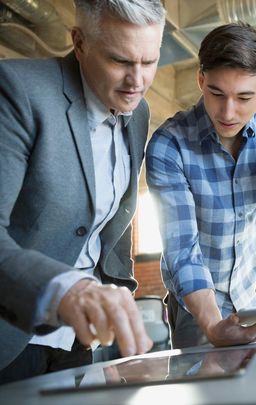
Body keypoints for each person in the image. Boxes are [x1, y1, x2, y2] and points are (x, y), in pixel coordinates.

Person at [0, 0, 166, 383]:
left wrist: (120, 303)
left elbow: (112, 225)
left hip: (80, 342)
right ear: (79, 42)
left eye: (150, 61)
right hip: (11, 335)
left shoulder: (136, 113)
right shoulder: (16, 92)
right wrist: (68, 291)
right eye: (120, 61)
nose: (137, 80)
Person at [146, 22, 256, 348]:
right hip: (198, 305)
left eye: (244, 97)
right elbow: (182, 251)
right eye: (216, 93)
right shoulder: (168, 145)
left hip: (254, 297)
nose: (228, 111)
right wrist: (213, 324)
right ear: (200, 80)